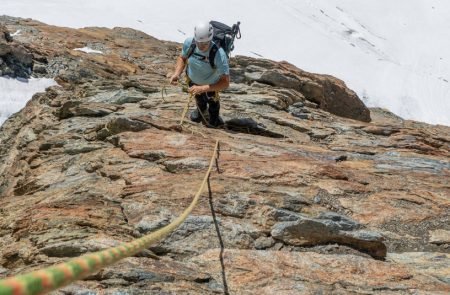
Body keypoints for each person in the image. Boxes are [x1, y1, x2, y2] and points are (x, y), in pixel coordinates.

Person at [170, 21, 230, 127]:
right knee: (199, 99)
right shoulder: (190, 43)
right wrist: (177, 73)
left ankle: (214, 118)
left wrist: (203, 88)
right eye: (199, 43)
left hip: (211, 85)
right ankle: (201, 111)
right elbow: (182, 58)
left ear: (210, 39)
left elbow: (225, 82)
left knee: (213, 103)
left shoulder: (219, 54)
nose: (201, 46)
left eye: (205, 44)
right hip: (193, 81)